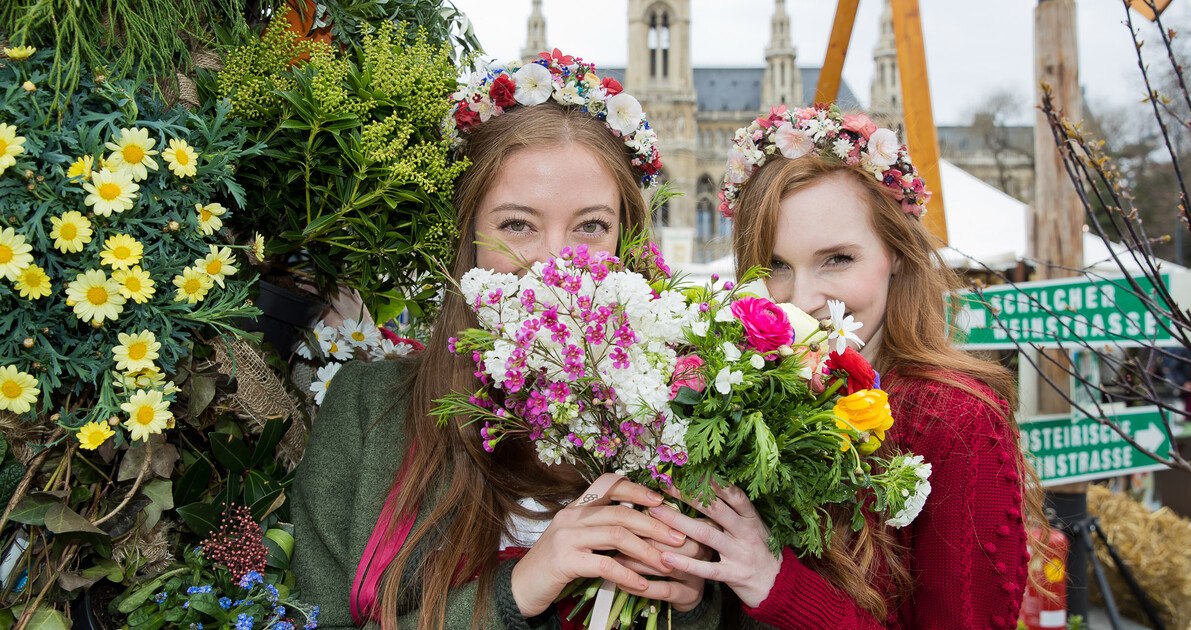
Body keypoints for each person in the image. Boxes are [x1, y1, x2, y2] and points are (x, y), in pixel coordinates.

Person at [291, 52, 720, 629]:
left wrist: (688, 604)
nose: (553, 262)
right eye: (517, 224)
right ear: (467, 235)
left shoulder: (682, 416)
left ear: (626, 239)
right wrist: (518, 590)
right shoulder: (369, 409)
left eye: (590, 226)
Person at [648, 105, 1041, 629]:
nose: (804, 299)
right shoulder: (737, 394)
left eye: (837, 259)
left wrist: (776, 584)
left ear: (895, 252)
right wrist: (692, 599)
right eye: (776, 265)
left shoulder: (956, 420)